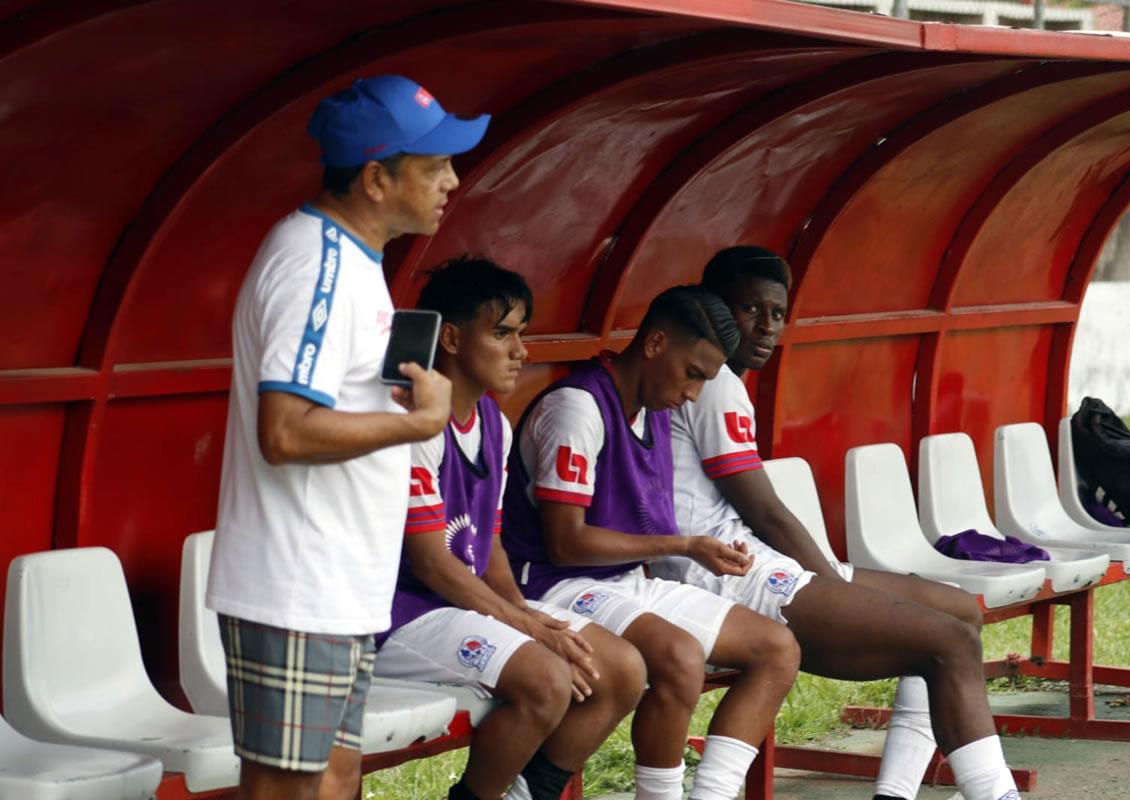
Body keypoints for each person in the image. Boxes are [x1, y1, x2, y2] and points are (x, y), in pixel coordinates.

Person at [206, 75, 487, 800]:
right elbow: (285, 430)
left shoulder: (353, 262)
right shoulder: (314, 262)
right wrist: (417, 423)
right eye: (434, 167)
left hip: (337, 586)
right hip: (298, 583)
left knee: (332, 781)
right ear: (375, 177)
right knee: (287, 789)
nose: (451, 181)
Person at [663, 245, 1019, 800]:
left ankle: (895, 793)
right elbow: (767, 513)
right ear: (713, 308)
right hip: (720, 572)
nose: (766, 327)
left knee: (957, 608)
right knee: (948, 642)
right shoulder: (714, 385)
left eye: (778, 314)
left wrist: (825, 574)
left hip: (748, 560)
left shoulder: (716, 381)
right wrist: (827, 583)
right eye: (749, 309)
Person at [503, 285, 801, 800]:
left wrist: (693, 547)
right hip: (553, 585)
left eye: (705, 382)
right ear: (656, 343)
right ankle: (535, 788)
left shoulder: (653, 409)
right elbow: (565, 543)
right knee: (680, 657)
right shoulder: (578, 408)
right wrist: (684, 545)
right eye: (692, 374)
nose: (692, 394)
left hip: (622, 581)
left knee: (777, 648)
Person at [373, 257, 646, 800]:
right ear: (450, 337)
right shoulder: (412, 419)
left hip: (464, 604)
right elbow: (431, 561)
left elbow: (488, 543)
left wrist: (523, 611)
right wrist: (526, 627)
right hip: (403, 615)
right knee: (546, 679)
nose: (521, 351)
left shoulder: (494, 422)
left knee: (622, 670)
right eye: (502, 334)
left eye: (520, 334)